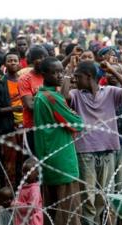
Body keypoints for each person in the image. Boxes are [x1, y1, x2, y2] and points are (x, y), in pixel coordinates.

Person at [65, 60, 122, 225]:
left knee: (102, 195)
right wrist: (68, 72)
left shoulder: (110, 92)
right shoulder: (76, 94)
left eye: (78, 76)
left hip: (108, 151)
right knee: (87, 196)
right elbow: (63, 97)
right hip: (85, 152)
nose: (75, 80)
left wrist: (112, 70)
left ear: (89, 77)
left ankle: (94, 222)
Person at [34, 57, 84, 225]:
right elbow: (77, 124)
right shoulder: (52, 98)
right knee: (68, 210)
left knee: (52, 209)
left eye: (61, 71)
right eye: (55, 72)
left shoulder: (41, 95)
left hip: (48, 158)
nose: (60, 75)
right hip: (62, 160)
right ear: (44, 74)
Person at [0, 52, 24, 188]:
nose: (13, 62)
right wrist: (12, 110)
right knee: (9, 162)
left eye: (15, 60)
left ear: (20, 63)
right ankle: (9, 193)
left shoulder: (24, 81)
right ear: (5, 64)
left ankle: (22, 192)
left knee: (23, 160)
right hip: (9, 128)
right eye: (10, 60)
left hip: (25, 127)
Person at [18, 45, 48, 154]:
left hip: (49, 126)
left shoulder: (49, 76)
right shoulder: (25, 79)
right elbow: (30, 105)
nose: (42, 60)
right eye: (38, 57)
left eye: (44, 57)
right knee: (34, 160)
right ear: (31, 60)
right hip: (33, 126)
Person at [12, 157, 43, 225]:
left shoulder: (34, 189)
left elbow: (31, 208)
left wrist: (15, 204)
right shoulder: (25, 185)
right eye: (24, 171)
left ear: (37, 173)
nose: (25, 175)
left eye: (29, 172)